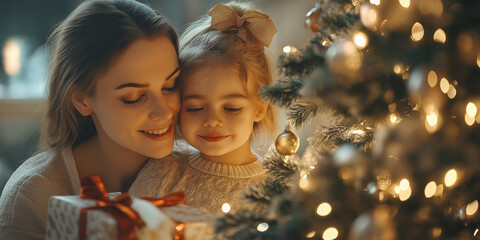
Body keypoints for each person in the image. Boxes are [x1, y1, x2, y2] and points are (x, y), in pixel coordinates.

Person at [0, 0, 181, 239]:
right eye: (134, 97)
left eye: (170, 86)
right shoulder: (34, 196)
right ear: (82, 100)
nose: (164, 111)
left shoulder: (199, 172)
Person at [130, 2, 277, 215]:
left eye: (232, 108)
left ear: (261, 107)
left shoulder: (276, 190)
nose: (212, 120)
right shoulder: (163, 170)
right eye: (196, 108)